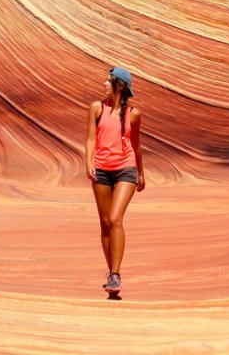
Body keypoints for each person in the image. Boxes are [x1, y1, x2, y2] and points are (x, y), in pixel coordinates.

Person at [85, 66, 145, 294]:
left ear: (119, 85)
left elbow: (136, 144)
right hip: (101, 169)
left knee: (114, 218)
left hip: (125, 169)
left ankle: (116, 274)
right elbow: (91, 139)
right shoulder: (96, 108)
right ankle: (112, 273)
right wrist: (88, 161)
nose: (104, 84)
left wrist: (141, 173)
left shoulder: (134, 114)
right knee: (105, 223)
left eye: (107, 81)